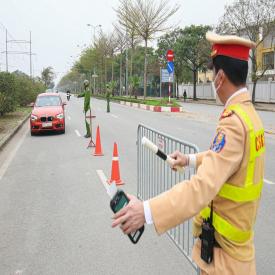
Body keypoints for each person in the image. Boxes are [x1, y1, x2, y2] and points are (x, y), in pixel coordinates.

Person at [112, 32, 265, 275]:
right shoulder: (250, 116)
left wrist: (146, 211)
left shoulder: (234, 123)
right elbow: (225, 159)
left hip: (226, 262)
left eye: (214, 73)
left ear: (220, 77)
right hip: (236, 253)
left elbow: (201, 188)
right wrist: (189, 159)